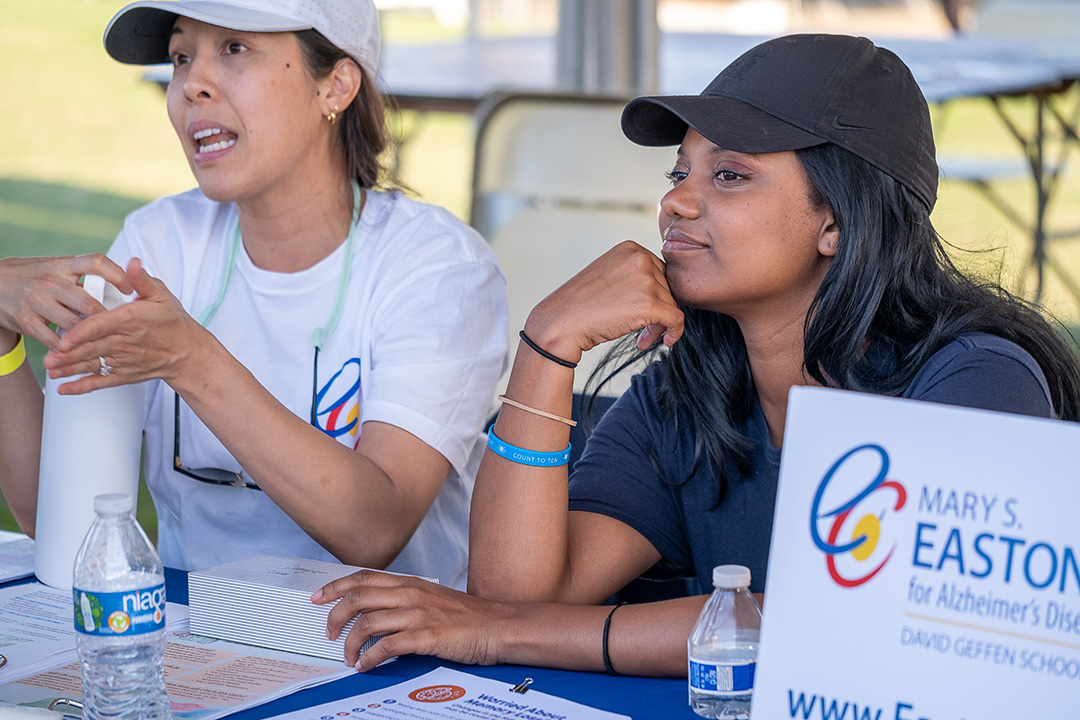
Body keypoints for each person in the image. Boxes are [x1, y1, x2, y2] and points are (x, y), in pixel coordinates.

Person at [310, 33, 1080, 676]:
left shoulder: (977, 380)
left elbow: (866, 619)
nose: (675, 200)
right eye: (680, 172)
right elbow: (521, 592)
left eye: (731, 175)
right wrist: (546, 347)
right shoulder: (685, 396)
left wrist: (499, 632)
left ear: (838, 223)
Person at [0, 0, 507, 590]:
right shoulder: (158, 242)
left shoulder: (439, 266)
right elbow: (61, 520)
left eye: (235, 48)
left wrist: (191, 359)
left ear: (336, 86)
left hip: (387, 662)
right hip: (196, 647)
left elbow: (374, 529)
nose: (193, 84)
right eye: (181, 56)